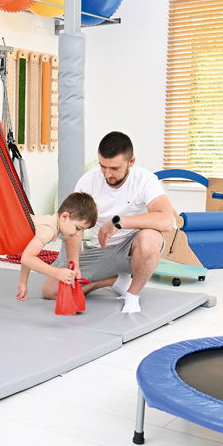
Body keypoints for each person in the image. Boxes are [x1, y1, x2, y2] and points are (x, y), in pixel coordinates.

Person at [42, 131, 175, 314]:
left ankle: (133, 294)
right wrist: (74, 264)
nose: (107, 174)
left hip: (132, 250)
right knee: (50, 291)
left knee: (150, 238)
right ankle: (115, 280)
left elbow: (167, 220)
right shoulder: (88, 181)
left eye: (114, 168)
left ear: (131, 162)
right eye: (103, 166)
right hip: (100, 251)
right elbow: (74, 228)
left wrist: (119, 222)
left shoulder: (145, 180)